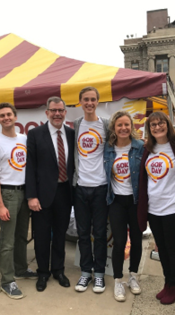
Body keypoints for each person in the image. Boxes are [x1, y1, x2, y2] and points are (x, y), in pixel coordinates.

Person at [25, 96, 74, 292]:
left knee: (61, 235)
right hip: (41, 195)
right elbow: (30, 167)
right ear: (47, 113)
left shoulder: (71, 133)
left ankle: (58, 270)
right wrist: (31, 196)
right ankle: (43, 272)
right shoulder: (35, 134)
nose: (57, 114)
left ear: (65, 113)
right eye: (53, 110)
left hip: (65, 192)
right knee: (43, 236)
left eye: (60, 110)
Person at [0, 103, 37, 299]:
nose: (6, 118)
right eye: (2, 115)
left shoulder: (24, 139)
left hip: (25, 192)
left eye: (9, 114)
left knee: (21, 236)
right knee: (7, 240)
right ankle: (7, 281)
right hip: (8, 194)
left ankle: (20, 268)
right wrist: (0, 204)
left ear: (15, 116)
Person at [104, 111, 144, 302]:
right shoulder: (108, 149)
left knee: (137, 240)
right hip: (116, 201)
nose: (123, 128)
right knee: (119, 242)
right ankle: (118, 280)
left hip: (136, 202)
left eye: (127, 124)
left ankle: (133, 276)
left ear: (132, 126)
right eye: (119, 125)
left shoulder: (141, 147)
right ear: (114, 127)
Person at [73, 86, 109, 293]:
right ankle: (86, 272)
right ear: (80, 102)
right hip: (80, 187)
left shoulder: (105, 124)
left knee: (101, 233)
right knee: (83, 233)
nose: (89, 103)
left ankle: (100, 274)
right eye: (85, 99)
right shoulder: (77, 125)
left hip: (101, 187)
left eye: (93, 99)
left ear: (97, 101)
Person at [138, 111, 175, 305]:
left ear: (167, 125)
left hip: (172, 209)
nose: (157, 127)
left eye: (161, 123)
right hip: (154, 210)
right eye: (153, 125)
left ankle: (173, 286)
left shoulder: (173, 147)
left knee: (172, 250)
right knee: (162, 251)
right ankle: (168, 283)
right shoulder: (148, 149)